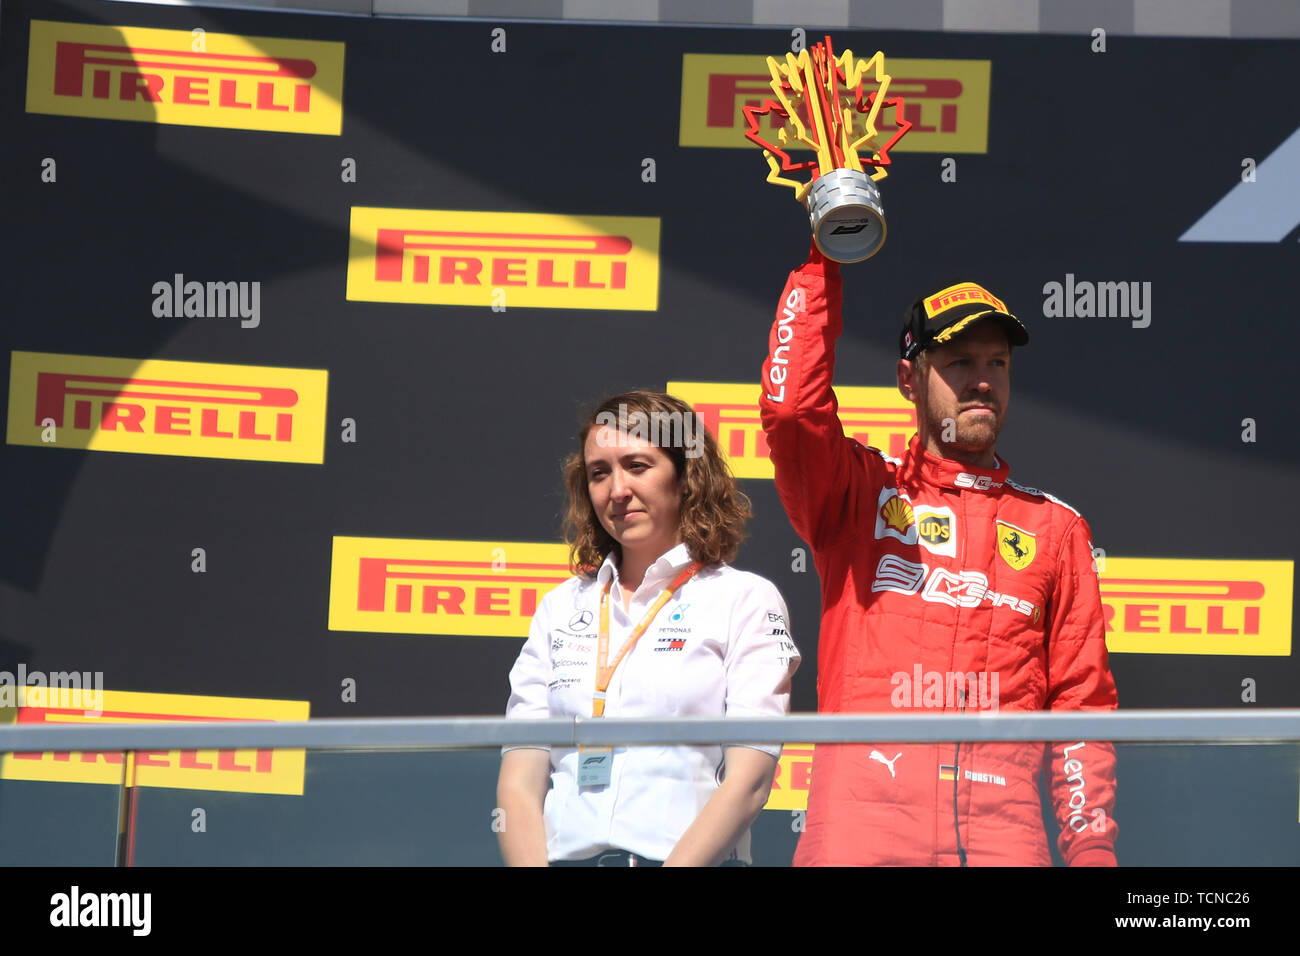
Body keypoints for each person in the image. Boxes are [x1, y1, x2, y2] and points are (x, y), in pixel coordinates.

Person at [759, 244, 1119, 866]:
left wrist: (1091, 851)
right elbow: (792, 412)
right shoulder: (859, 494)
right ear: (909, 379)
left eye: (997, 363)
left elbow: (1081, 707)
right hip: (860, 838)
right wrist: (824, 259)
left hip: (1003, 841)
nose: (982, 381)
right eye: (959, 363)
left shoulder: (1056, 530)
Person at [496, 390, 800, 866]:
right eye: (599, 473)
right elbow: (519, 780)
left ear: (687, 476)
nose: (617, 490)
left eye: (637, 466)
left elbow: (750, 780)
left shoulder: (744, 599)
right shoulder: (560, 606)